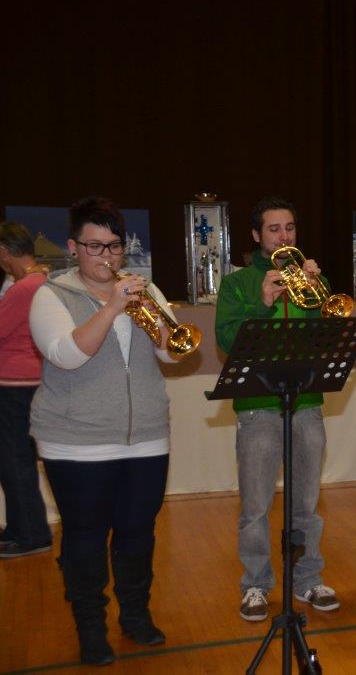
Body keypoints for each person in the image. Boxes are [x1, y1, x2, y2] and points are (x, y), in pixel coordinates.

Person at [28, 197, 181, 665]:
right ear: (73, 247)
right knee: (85, 537)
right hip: (75, 439)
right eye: (94, 246)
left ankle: (135, 614)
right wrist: (113, 307)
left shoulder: (144, 290)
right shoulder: (51, 295)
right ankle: (91, 626)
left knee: (138, 533)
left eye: (114, 246)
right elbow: (68, 355)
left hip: (146, 435)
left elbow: (173, 353)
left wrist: (152, 312)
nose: (106, 256)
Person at [215, 196, 340, 622]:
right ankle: (255, 585)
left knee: (307, 503)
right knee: (256, 508)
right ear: (256, 235)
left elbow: (328, 337)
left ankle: (308, 579)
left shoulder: (311, 280)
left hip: (306, 401)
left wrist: (318, 296)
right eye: (274, 229)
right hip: (258, 406)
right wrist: (261, 303)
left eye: (289, 228)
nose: (284, 236)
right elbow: (228, 340)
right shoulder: (237, 285)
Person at [0, 222, 53, 559]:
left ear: (5, 252)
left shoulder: (25, 288)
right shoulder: (41, 281)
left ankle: (31, 533)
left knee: (14, 459)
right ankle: (21, 527)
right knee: (17, 459)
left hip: (14, 385)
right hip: (28, 381)